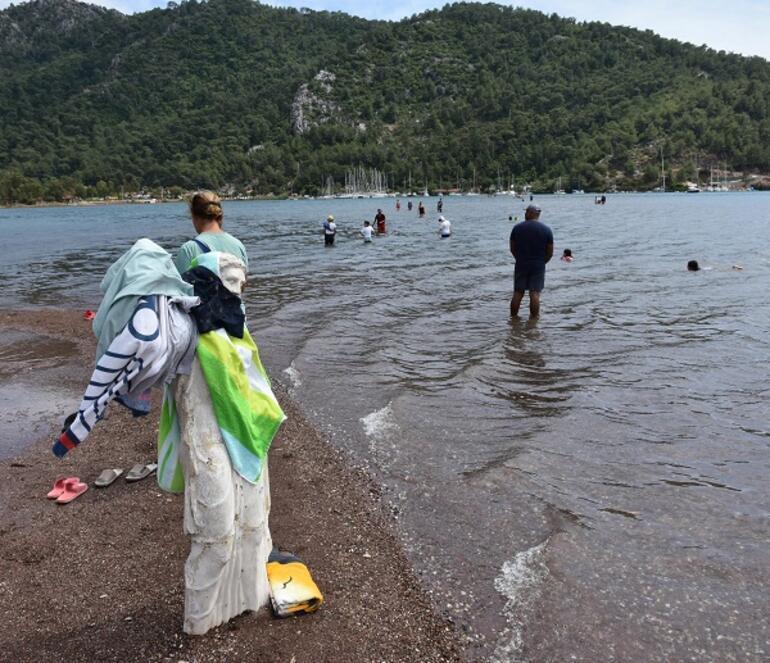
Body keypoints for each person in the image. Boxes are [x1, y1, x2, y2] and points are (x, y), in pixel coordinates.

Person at [175, 191, 248, 274]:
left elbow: (180, 286)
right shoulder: (238, 246)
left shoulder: (189, 249)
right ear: (220, 215)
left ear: (194, 216)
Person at [509, 204, 554, 319]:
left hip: (521, 263)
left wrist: (519, 258)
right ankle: (534, 321)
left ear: (532, 213)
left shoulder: (517, 228)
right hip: (538, 264)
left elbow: (512, 248)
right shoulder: (546, 230)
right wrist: (542, 262)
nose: (525, 214)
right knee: (535, 293)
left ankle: (513, 318)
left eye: (527, 212)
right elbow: (550, 252)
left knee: (518, 292)